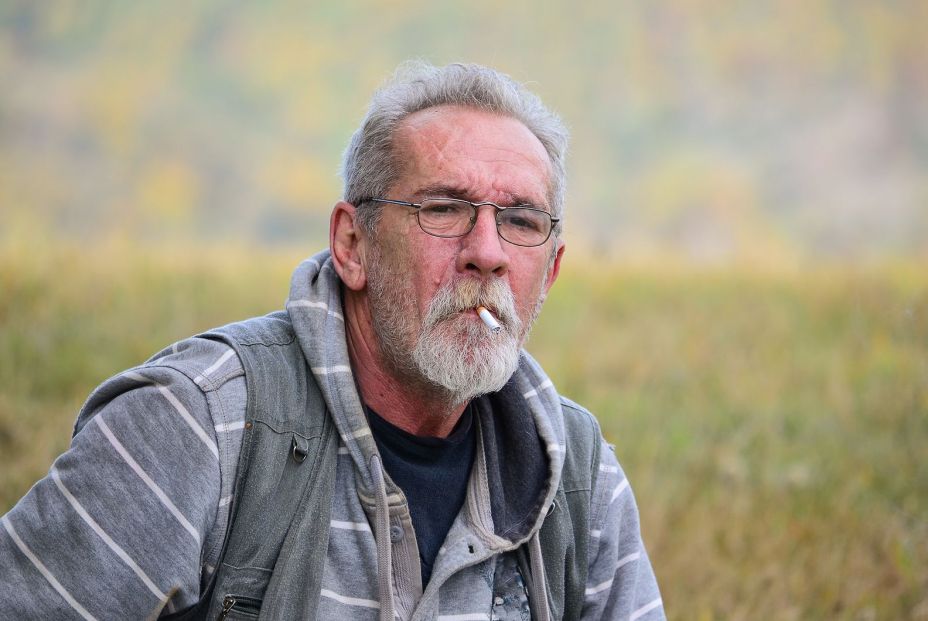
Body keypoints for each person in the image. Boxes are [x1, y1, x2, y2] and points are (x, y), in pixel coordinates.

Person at [0, 61, 664, 620]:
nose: (486, 252)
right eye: (442, 209)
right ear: (352, 244)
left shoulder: (576, 478)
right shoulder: (199, 424)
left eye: (520, 220)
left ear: (548, 271)